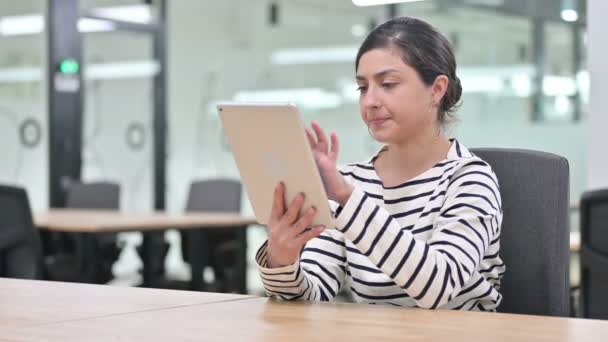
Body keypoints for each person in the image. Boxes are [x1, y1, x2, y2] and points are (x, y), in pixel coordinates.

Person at [255, 16, 505, 311]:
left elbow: (439, 286)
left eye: (388, 84)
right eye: (362, 87)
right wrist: (282, 260)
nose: (370, 101)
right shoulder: (352, 182)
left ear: (436, 90)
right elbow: (313, 295)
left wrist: (349, 199)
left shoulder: (470, 178)